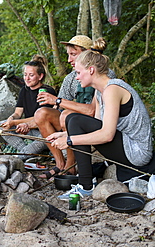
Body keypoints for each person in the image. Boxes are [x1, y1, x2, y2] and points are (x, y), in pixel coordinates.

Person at [48, 38, 154, 199]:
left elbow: (107, 134)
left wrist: (69, 140)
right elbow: (98, 125)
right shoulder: (100, 91)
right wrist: (63, 135)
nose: (76, 77)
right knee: (72, 119)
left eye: (78, 73)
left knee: (75, 119)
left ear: (91, 70)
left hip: (137, 151)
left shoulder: (113, 89)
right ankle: (85, 183)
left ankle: (85, 185)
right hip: (125, 144)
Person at [34, 35, 116, 179]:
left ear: (87, 55)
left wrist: (57, 100)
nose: (69, 60)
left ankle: (70, 166)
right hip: (77, 118)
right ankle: (60, 164)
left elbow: (92, 110)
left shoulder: (103, 75)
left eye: (73, 54)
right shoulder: (71, 78)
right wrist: (18, 122)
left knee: (67, 115)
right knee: (41, 113)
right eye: (68, 55)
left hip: (99, 122)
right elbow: (58, 109)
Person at [1, 55, 56, 159]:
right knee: (2, 126)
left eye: (31, 75)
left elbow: (39, 119)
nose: (27, 78)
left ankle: (21, 156)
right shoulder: (24, 90)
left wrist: (17, 123)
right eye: (25, 75)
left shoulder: (46, 92)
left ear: (40, 76)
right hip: (29, 129)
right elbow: (18, 113)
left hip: (44, 130)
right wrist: (11, 119)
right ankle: (26, 151)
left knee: (45, 139)